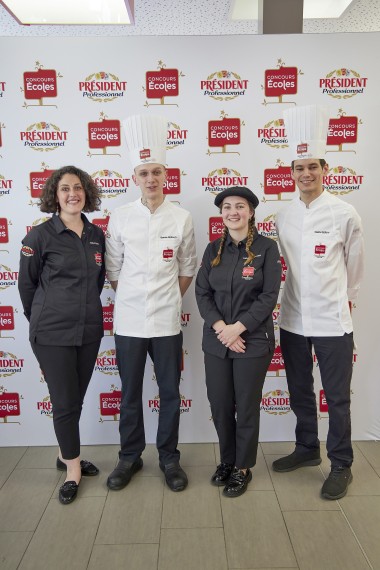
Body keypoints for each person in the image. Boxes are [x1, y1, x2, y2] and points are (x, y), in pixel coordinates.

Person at [272, 105, 364, 500]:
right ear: (290, 172)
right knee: (299, 389)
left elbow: (355, 268)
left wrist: (346, 302)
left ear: (325, 168)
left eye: (312, 166)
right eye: (298, 167)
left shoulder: (345, 212)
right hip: (292, 318)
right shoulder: (283, 215)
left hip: (332, 322)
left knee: (337, 397)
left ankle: (341, 464)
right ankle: (307, 448)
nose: (305, 174)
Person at [105, 114, 197, 492]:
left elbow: (188, 266)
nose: (151, 179)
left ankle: (169, 458)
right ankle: (129, 457)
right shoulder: (121, 217)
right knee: (128, 393)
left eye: (157, 171)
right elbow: (113, 270)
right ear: (134, 178)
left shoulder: (182, 216)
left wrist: (167, 299)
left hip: (166, 323)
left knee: (170, 393)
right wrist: (133, 297)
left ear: (166, 174)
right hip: (127, 322)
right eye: (144, 173)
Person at [18, 165, 105, 505]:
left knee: (75, 399)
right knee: (65, 404)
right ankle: (72, 470)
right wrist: (40, 319)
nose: (73, 193)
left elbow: (96, 282)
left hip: (89, 330)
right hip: (51, 332)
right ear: (54, 195)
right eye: (65, 188)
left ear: (87, 193)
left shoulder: (97, 234)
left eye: (79, 187)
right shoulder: (38, 236)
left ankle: (64, 454)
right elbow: (27, 287)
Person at [195, 186, 281, 497]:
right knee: (219, 405)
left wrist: (238, 329)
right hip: (217, 340)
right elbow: (202, 294)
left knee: (245, 406)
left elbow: (269, 296)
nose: (233, 212)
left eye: (240, 206)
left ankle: (242, 468)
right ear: (221, 214)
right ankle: (227, 460)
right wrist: (222, 329)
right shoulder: (212, 249)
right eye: (227, 207)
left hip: (253, 341)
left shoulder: (267, 248)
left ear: (251, 212)